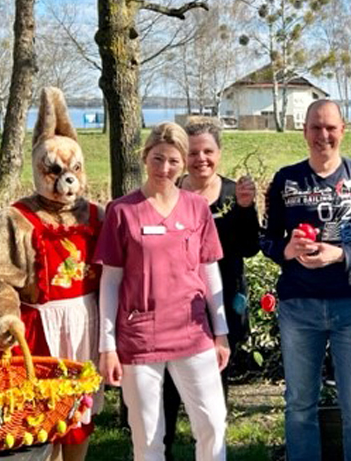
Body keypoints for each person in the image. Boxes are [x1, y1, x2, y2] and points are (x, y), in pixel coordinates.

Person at [0, 87, 102, 461]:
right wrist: (0, 315)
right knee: (35, 419)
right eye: (57, 171)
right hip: (37, 330)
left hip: (84, 325)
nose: (68, 179)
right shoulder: (15, 219)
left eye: (75, 170)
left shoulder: (96, 215)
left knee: (77, 413)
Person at [261, 99, 351, 461]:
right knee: (300, 404)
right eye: (316, 128)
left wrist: (342, 254)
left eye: (330, 128)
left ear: (343, 130)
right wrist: (287, 251)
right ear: (304, 131)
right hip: (298, 307)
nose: (324, 135)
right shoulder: (285, 179)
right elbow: (268, 239)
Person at [94, 122, 231, 461]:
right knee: (148, 437)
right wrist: (107, 346)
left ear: (183, 163)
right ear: (144, 158)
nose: (164, 169)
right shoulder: (122, 211)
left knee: (213, 424)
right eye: (157, 159)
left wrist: (222, 332)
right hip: (140, 337)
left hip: (192, 332)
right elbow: (110, 281)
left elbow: (208, 268)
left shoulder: (196, 208)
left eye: (173, 161)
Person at [155, 118, 259, 459]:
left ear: (219, 154)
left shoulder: (233, 193)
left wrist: (246, 209)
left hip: (222, 299)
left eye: (208, 152)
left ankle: (215, 449)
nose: (201, 159)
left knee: (216, 383)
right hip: (174, 304)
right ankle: (162, 447)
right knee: (166, 388)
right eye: (194, 152)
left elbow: (248, 247)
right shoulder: (169, 193)